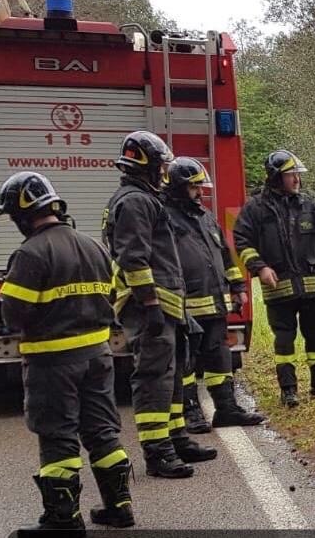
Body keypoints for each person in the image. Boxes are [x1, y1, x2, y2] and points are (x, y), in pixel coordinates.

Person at [0, 172, 135, 532]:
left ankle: (63, 520)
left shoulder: (29, 254)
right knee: (103, 431)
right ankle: (119, 508)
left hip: (52, 362)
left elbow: (13, 315)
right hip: (98, 355)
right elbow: (111, 296)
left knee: (57, 434)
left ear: (22, 215)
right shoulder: (94, 246)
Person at [103, 130, 216, 479]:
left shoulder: (145, 199)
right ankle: (157, 452)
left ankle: (176, 438)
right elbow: (134, 259)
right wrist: (150, 304)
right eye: (162, 167)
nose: (165, 174)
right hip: (150, 306)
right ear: (147, 167)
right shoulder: (135, 202)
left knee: (175, 374)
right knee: (154, 377)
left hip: (168, 303)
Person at [233, 150, 315, 407]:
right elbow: (242, 240)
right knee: (284, 337)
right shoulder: (255, 209)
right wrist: (259, 267)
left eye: (297, 175)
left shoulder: (307, 203)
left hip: (311, 283)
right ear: (276, 177)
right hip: (278, 286)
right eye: (291, 174)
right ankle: (289, 389)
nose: (297, 180)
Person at [163, 157, 266, 429]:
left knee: (220, 358)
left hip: (216, 303)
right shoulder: (164, 218)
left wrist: (238, 287)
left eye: (200, 187)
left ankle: (227, 409)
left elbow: (224, 256)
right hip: (187, 306)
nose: (199, 193)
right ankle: (190, 412)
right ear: (178, 187)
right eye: (194, 187)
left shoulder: (206, 217)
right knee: (186, 363)